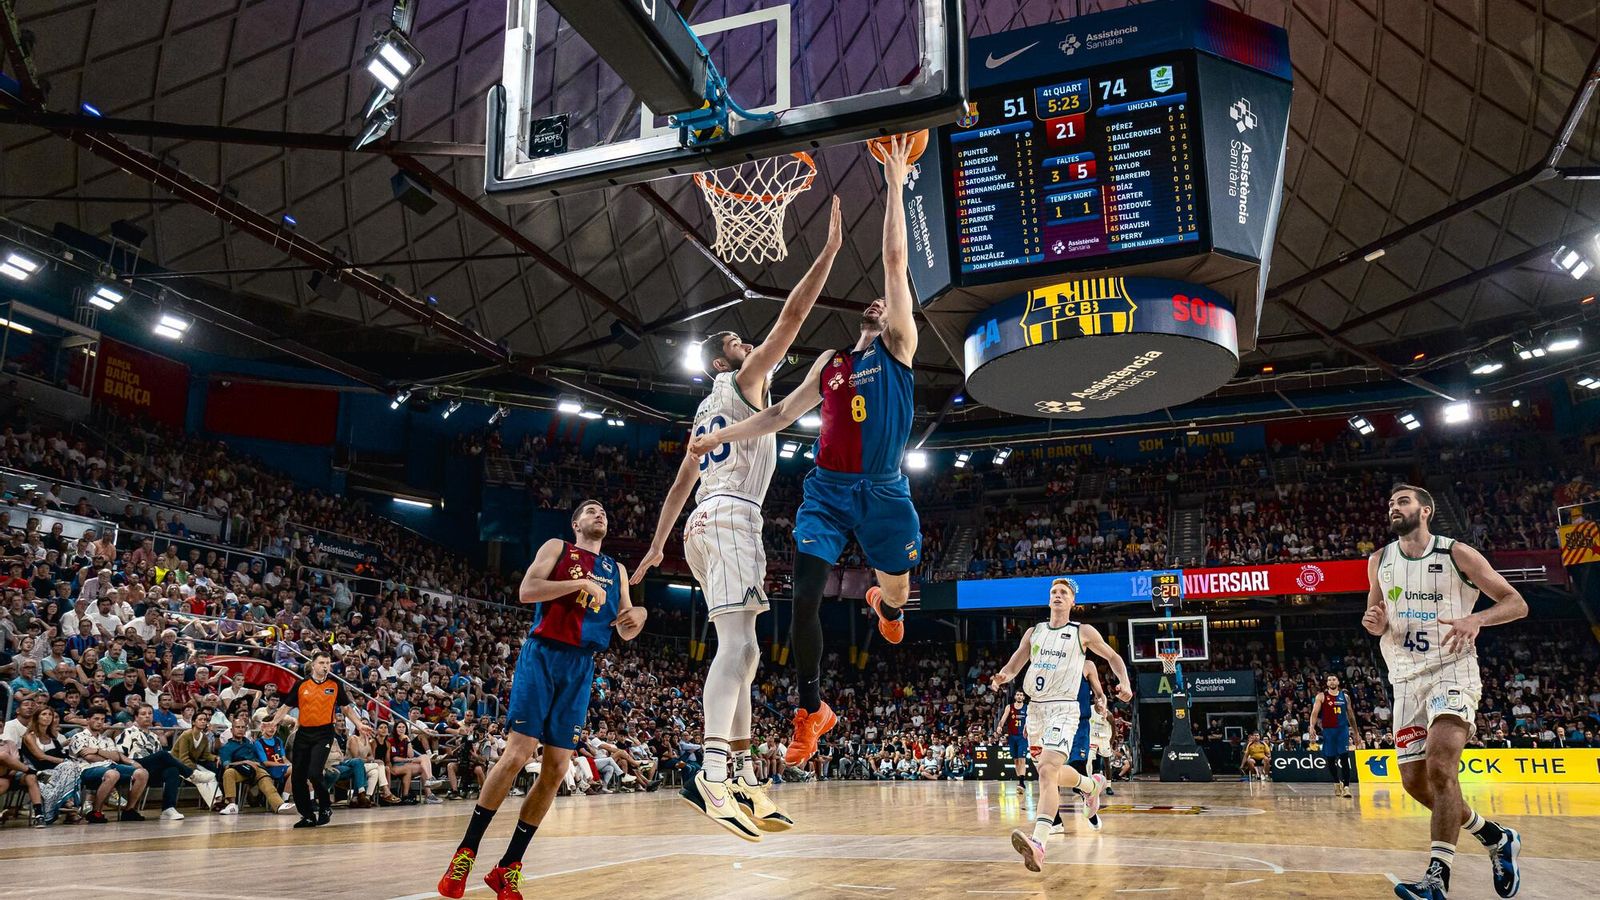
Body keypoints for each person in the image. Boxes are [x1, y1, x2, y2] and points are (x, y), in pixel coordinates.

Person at [688, 135, 924, 767]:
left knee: (898, 595)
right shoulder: (830, 362)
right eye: (872, 302)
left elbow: (896, 261)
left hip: (882, 489)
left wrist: (895, 181)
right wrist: (719, 435)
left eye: (887, 301)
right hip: (825, 489)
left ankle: (882, 601)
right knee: (803, 601)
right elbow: (774, 414)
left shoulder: (900, 344)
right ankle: (810, 709)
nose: (879, 300)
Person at [633, 196, 843, 841]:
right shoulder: (742, 382)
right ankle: (712, 770)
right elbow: (792, 317)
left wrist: (653, 550)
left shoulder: (713, 411)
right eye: (736, 343)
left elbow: (677, 486)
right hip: (729, 521)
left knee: (746, 650)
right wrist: (830, 252)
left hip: (706, 523)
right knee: (740, 647)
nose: (748, 344)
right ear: (725, 361)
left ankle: (744, 772)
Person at [435, 500, 645, 900]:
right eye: (591, 510)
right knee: (516, 754)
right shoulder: (557, 549)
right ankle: (465, 853)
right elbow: (527, 591)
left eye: (603, 511)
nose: (599, 514)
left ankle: (509, 865)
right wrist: (577, 584)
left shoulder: (616, 570)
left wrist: (640, 616)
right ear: (576, 523)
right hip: (544, 654)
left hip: (582, 666)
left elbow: (626, 627)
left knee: (556, 769)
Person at [1365, 484, 1525, 900]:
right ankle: (1494, 836)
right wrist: (1374, 621)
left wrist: (1478, 620)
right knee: (1417, 783)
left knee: (1440, 767)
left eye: (1402, 501)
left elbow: (1516, 602)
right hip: (1404, 679)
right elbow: (1377, 615)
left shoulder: (1457, 554)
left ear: (1426, 510)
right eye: (1390, 503)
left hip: (1452, 670)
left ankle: (1437, 878)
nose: (1393, 507)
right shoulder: (1379, 560)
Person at [989, 578, 1132, 873]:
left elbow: (1114, 657)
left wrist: (1124, 683)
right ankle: (1091, 785)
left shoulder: (1082, 632)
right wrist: (1003, 675)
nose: (1057, 595)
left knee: (1046, 772)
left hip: (1064, 709)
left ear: (1072, 602)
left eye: (1063, 593)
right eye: (1054, 592)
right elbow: (1016, 664)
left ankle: (1039, 844)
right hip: (1036, 710)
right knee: (1050, 772)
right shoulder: (1035, 632)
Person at [275, 649, 371, 827]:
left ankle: (325, 806)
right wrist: (273, 722)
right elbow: (286, 707)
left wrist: (359, 724)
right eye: (321, 663)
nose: (325, 666)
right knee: (297, 776)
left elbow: (347, 708)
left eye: (328, 663)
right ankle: (307, 815)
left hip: (324, 733)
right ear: (313, 664)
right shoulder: (301, 684)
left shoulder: (334, 684)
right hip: (303, 733)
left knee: (314, 772)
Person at [1310, 673, 1362, 797]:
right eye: (1329, 680)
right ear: (1327, 683)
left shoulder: (1345, 697)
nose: (1332, 682)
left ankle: (1347, 787)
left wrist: (1356, 732)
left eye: (1334, 679)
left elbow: (1350, 715)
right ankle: (1336, 782)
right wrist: (1311, 726)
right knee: (1331, 759)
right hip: (1328, 732)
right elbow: (1314, 713)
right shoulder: (1321, 696)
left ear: (1338, 682)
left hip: (1342, 731)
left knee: (1344, 758)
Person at [993, 691, 1029, 792]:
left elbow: (1031, 720)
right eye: (1017, 694)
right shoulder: (1009, 707)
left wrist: (1028, 728)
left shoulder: (1027, 708)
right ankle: (1019, 781)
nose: (1019, 696)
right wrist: (1000, 726)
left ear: (1023, 697)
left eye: (1021, 695)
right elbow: (1003, 719)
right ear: (1014, 696)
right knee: (1016, 760)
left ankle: (1022, 782)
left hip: (1023, 737)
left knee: (1022, 759)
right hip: (1012, 737)